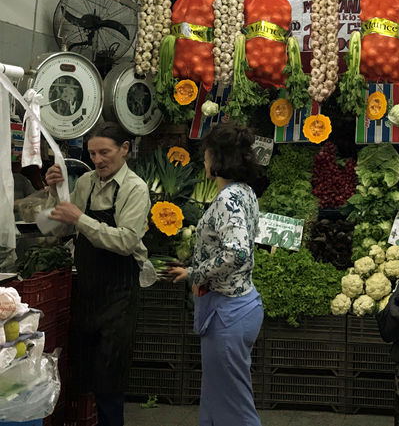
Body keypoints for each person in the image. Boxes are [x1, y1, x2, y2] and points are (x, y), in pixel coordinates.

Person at [44, 122, 150, 426]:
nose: (98, 160)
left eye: (105, 152)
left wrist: (82, 220)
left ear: (125, 150)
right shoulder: (86, 183)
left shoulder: (135, 188)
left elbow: (126, 240)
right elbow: (64, 226)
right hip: (88, 293)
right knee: (82, 373)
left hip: (119, 296)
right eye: (93, 153)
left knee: (110, 379)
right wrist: (54, 192)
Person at [168, 123, 263, 426]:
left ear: (215, 157)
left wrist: (195, 273)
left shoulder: (228, 198)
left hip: (228, 313)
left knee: (235, 408)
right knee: (216, 398)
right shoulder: (245, 192)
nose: (204, 159)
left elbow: (237, 252)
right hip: (235, 308)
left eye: (207, 153)